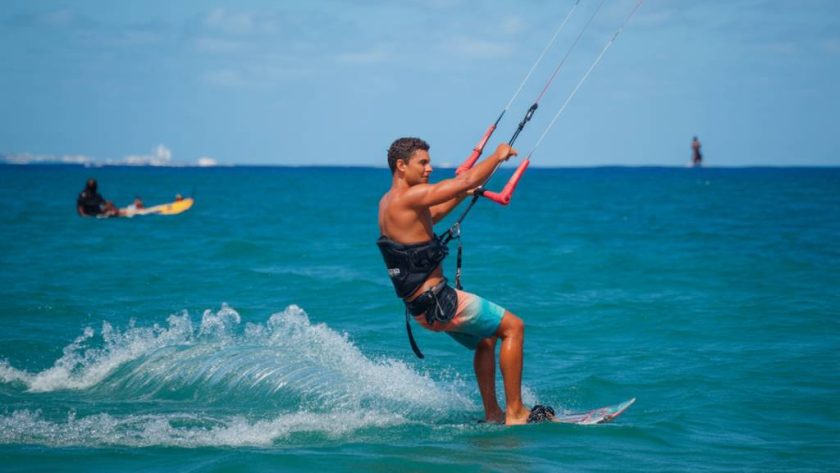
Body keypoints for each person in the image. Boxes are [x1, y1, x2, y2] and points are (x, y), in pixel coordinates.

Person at [376, 137, 553, 425]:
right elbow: (465, 179)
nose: (429, 168)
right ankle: (516, 412)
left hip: (423, 309)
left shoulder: (390, 203)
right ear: (401, 165)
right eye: (422, 163)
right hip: (441, 302)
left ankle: (493, 413)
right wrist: (497, 156)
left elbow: (432, 215)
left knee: (485, 340)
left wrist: (463, 191)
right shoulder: (409, 197)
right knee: (514, 327)